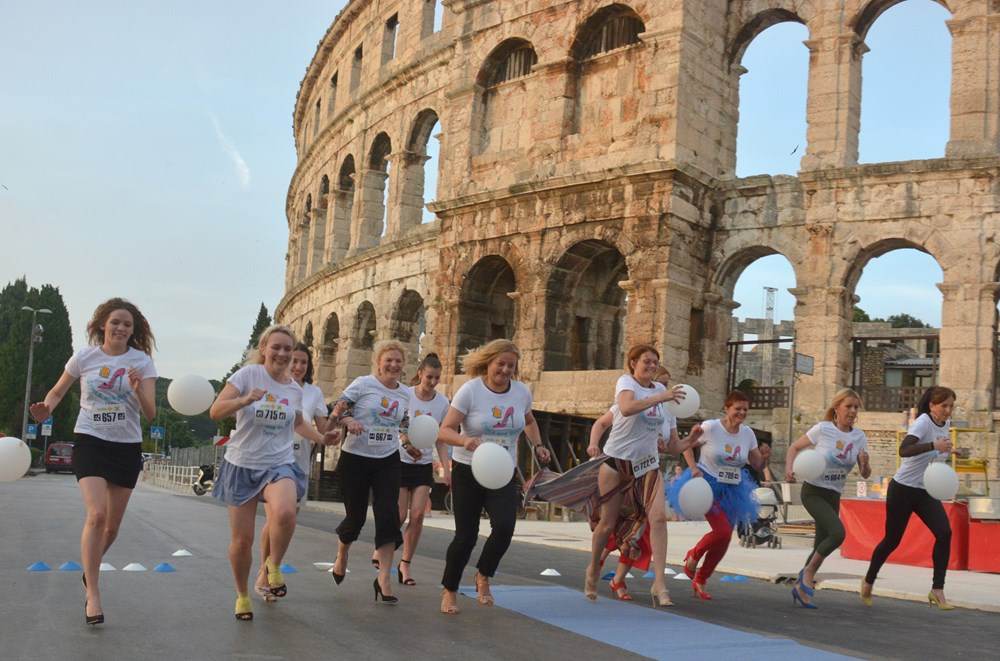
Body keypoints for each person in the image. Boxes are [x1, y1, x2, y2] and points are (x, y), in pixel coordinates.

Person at [30, 298, 158, 626]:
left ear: (133, 331)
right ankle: (94, 594)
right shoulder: (85, 357)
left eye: (127, 325)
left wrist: (136, 389)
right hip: (90, 441)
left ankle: (90, 569)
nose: (120, 328)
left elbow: (151, 412)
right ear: (102, 324)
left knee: (112, 528)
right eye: (115, 322)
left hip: (126, 446)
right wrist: (47, 407)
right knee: (97, 515)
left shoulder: (141, 362)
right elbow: (58, 391)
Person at [210, 325, 340, 621]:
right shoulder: (247, 376)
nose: (282, 354)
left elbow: (296, 424)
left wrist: (321, 438)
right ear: (264, 348)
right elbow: (216, 411)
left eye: (287, 349)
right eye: (276, 347)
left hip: (278, 462)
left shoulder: (294, 389)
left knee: (285, 513)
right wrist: (242, 401)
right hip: (242, 463)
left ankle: (273, 565)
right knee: (242, 542)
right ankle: (242, 594)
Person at [438, 339, 551, 615]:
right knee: (466, 535)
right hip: (468, 469)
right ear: (488, 363)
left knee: (504, 526)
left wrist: (538, 445)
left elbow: (529, 420)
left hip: (502, 470)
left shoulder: (521, 393)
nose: (505, 370)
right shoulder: (470, 391)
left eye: (510, 366)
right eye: (500, 363)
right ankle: (450, 590)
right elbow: (444, 430)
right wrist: (464, 441)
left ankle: (483, 575)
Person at [582, 346, 698, 606]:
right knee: (607, 525)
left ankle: (660, 584)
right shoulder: (627, 383)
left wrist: (691, 440)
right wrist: (662, 396)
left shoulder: (665, 399)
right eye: (647, 361)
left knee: (658, 519)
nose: (651, 366)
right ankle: (592, 569)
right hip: (617, 462)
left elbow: (671, 447)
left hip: (647, 465)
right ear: (633, 363)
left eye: (655, 362)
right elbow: (625, 408)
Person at [330, 340, 414, 604]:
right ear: (378, 362)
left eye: (398, 361)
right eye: (388, 360)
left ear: (404, 365)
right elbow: (337, 409)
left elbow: (403, 423)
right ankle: (342, 554)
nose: (393, 365)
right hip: (355, 458)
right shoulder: (363, 384)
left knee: (389, 515)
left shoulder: (405, 394)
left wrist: (409, 443)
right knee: (355, 517)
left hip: (387, 459)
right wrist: (348, 420)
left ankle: (384, 579)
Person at [862, 386, 958, 610]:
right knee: (892, 540)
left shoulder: (946, 425)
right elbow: (904, 450)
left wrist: (948, 452)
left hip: (925, 491)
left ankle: (937, 589)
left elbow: (933, 455)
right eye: (944, 405)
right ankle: (868, 580)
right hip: (903, 489)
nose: (947, 410)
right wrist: (935, 445)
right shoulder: (924, 421)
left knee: (944, 533)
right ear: (932, 406)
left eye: (951, 406)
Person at [669, 390, 770, 600]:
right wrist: (693, 467)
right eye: (737, 409)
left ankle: (701, 579)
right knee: (722, 530)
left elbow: (756, 464)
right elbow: (687, 445)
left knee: (724, 539)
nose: (741, 413)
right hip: (707, 485)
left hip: (734, 488)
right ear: (727, 408)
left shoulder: (747, 433)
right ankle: (693, 555)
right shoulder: (711, 427)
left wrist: (765, 458)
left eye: (745, 409)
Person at [254, 342, 329, 601]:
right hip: (271, 461)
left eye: (303, 363)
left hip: (299, 462)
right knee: (276, 516)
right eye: (294, 360)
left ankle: (272, 565)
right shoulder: (273, 385)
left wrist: (336, 423)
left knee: (287, 521)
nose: (298, 366)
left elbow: (322, 427)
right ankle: (266, 573)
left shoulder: (313, 393)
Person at [368, 353, 450, 586]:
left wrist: (445, 466)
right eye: (429, 377)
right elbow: (393, 423)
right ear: (420, 374)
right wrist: (405, 442)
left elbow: (440, 438)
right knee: (400, 514)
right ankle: (383, 549)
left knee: (418, 515)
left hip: (423, 464)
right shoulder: (405, 395)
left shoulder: (442, 403)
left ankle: (405, 564)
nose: (432, 382)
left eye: (436, 378)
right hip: (400, 460)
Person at [785, 388, 870, 608]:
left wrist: (864, 462)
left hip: (834, 494)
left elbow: (865, 473)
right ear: (837, 407)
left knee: (820, 544)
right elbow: (794, 447)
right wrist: (789, 470)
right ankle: (808, 573)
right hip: (813, 491)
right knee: (837, 533)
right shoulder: (823, 429)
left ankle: (800, 589)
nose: (852, 411)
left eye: (855, 407)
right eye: (848, 406)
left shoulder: (859, 437)